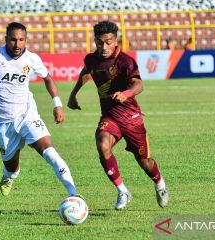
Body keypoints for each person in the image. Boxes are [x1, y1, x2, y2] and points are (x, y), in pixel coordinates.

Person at [0, 22, 79, 199]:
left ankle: (74, 195)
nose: (17, 45)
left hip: (27, 115)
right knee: (11, 168)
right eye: (13, 40)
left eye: (21, 40)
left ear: (26, 40)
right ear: (6, 40)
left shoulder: (31, 59)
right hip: (3, 122)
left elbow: (48, 79)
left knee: (51, 154)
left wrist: (57, 104)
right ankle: (9, 176)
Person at [67, 21, 169, 210]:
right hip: (110, 117)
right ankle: (123, 191)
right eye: (99, 42)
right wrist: (74, 94)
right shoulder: (91, 59)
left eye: (108, 42)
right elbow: (86, 71)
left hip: (131, 118)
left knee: (144, 162)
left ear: (115, 41)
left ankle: (160, 184)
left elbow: (139, 85)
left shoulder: (125, 61)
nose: (103, 47)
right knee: (102, 145)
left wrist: (126, 94)